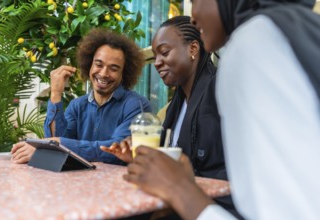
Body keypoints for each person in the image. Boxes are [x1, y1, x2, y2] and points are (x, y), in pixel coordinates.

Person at [124, 0, 320, 219]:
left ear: (193, 49)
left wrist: (180, 190)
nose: (194, 15)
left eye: (194, 1)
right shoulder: (296, 28)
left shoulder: (254, 43)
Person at [101, 16, 241, 217]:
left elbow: (228, 167)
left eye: (164, 52)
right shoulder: (178, 103)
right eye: (156, 56)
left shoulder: (221, 89)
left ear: (193, 49)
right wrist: (138, 155)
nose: (157, 63)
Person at [11, 28, 151, 165]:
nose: (103, 73)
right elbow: (57, 143)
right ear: (89, 65)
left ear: (124, 73)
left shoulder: (137, 106)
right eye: (98, 64)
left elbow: (118, 150)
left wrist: (60, 144)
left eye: (113, 69)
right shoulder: (77, 105)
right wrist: (55, 94)